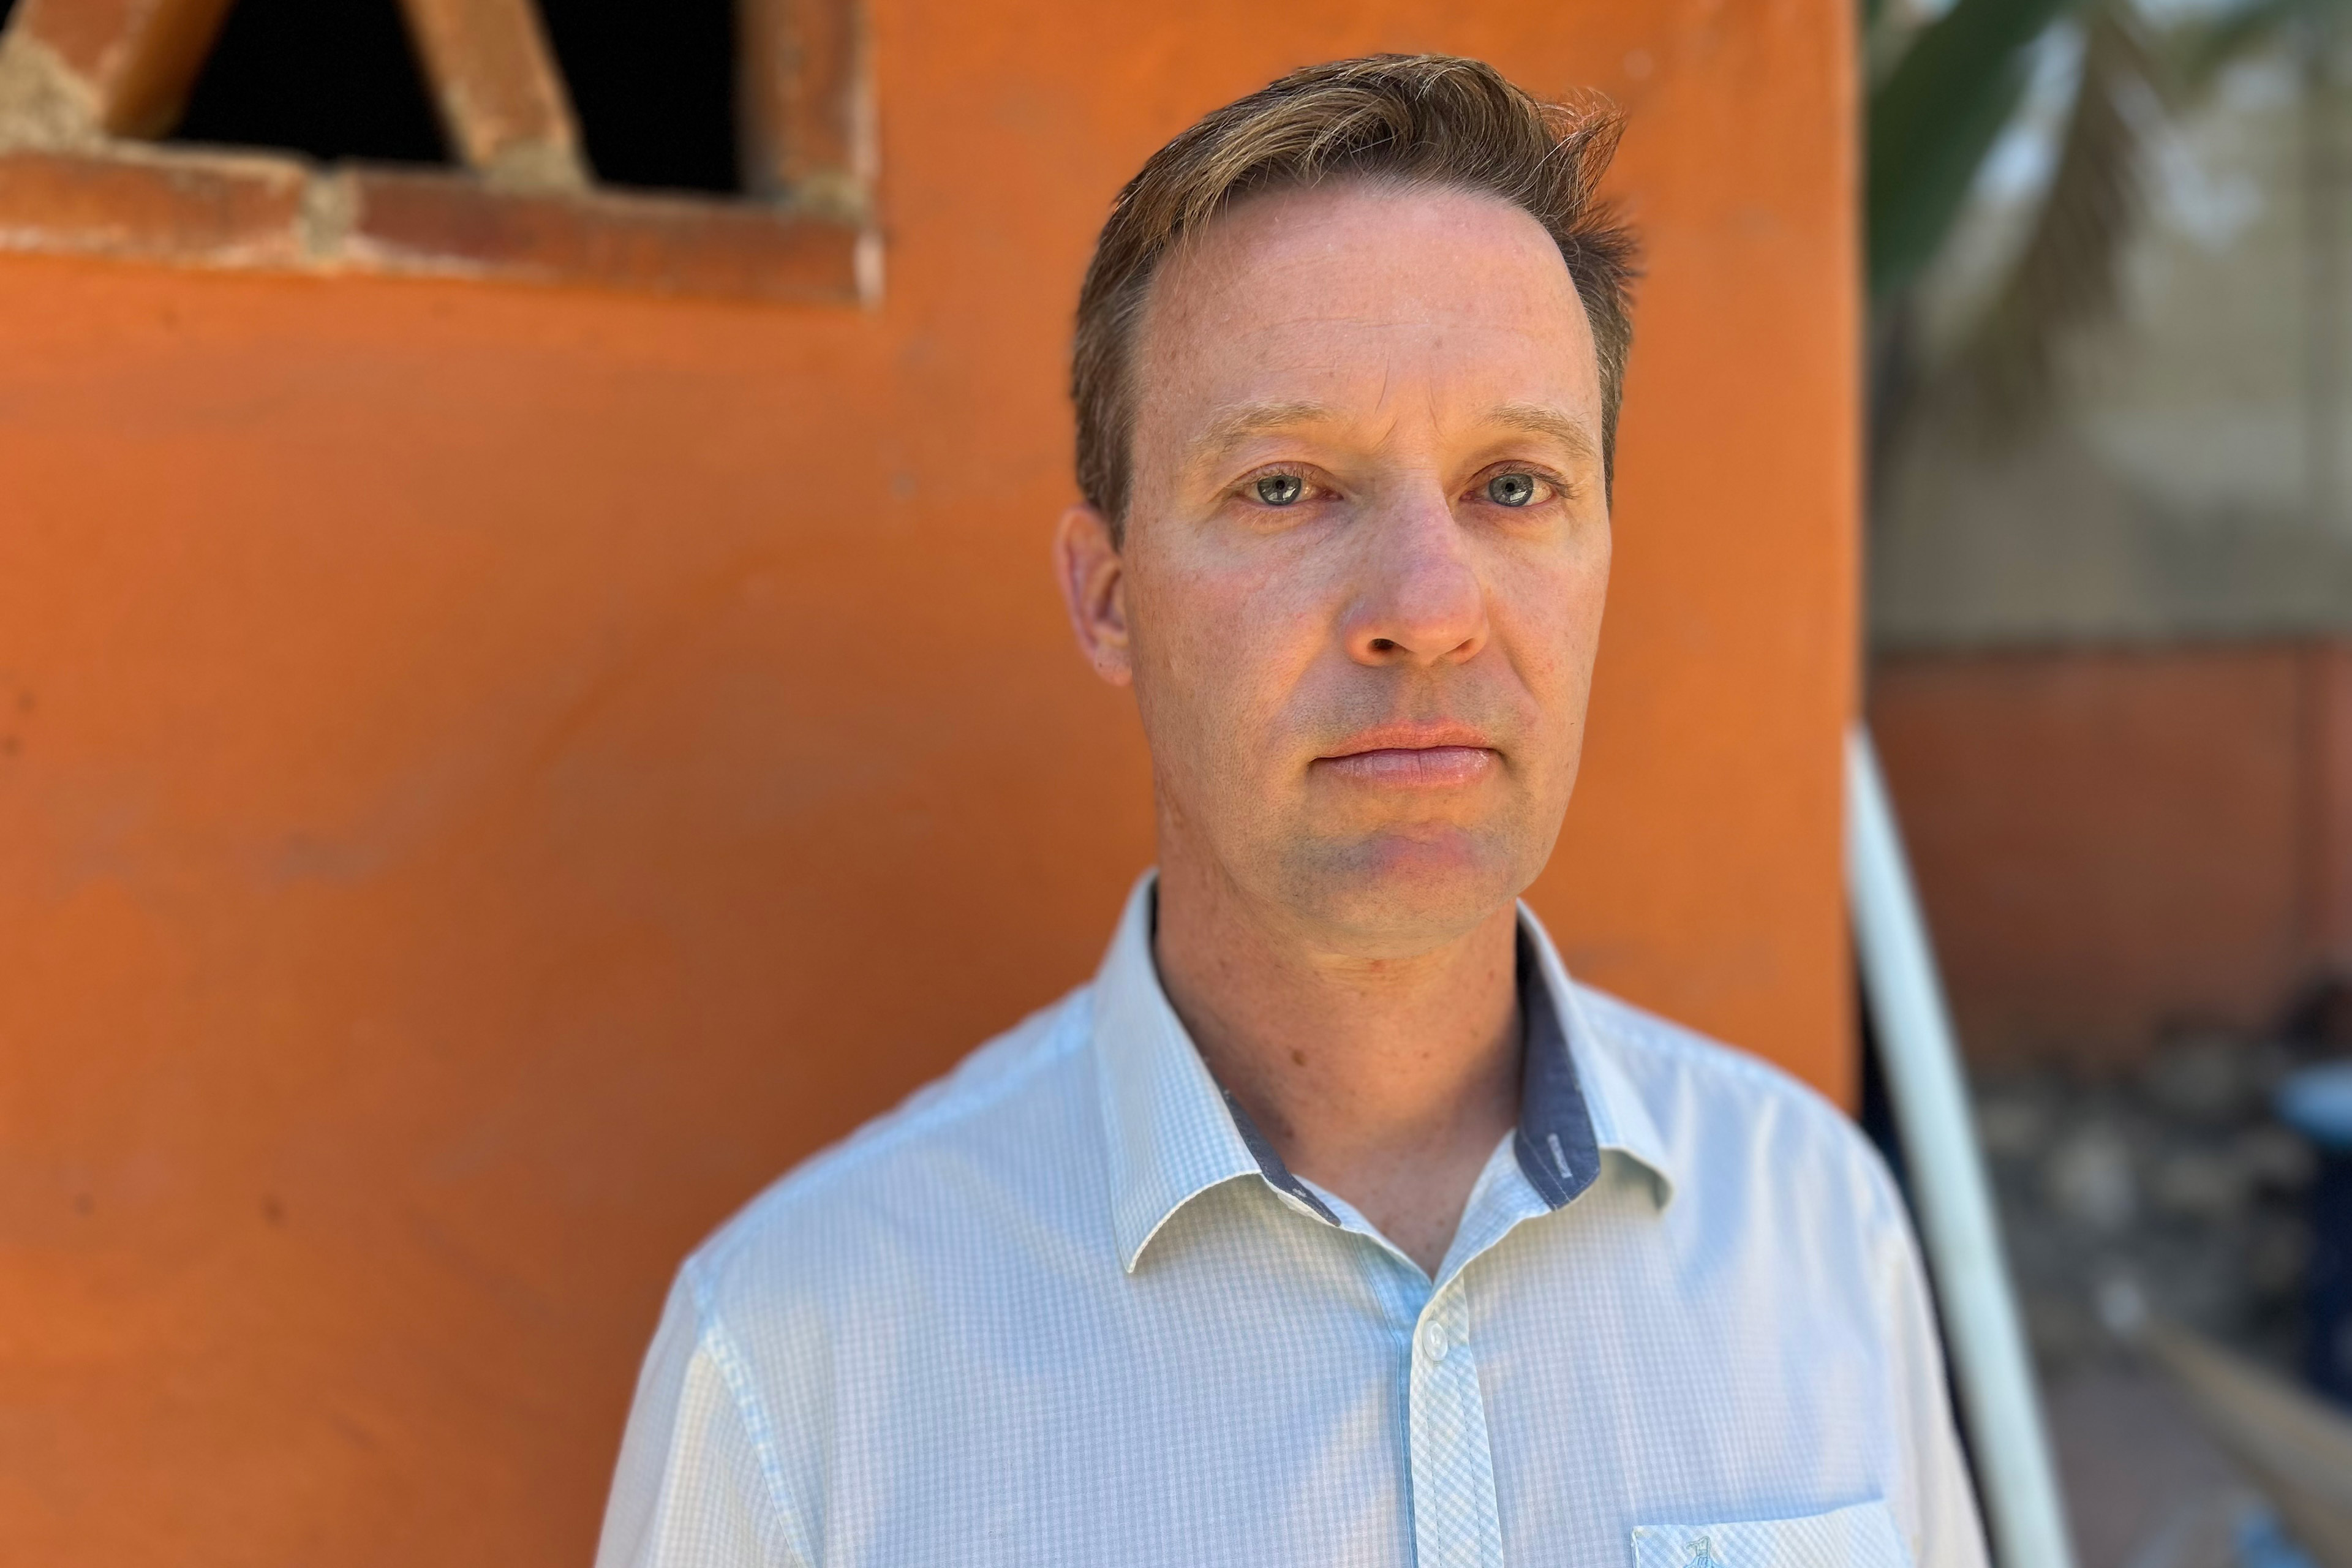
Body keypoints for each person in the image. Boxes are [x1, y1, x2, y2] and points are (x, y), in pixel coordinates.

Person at [596, 54, 1988, 1568]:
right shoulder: (796, 1367)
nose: (1428, 608)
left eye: (1514, 485)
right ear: (1109, 596)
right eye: (1285, 487)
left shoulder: (1822, 1231)